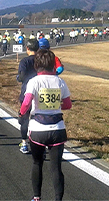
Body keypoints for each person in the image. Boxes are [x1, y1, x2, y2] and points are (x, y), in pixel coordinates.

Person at [19, 49, 72, 201]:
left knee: (37, 163)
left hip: (38, 130)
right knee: (56, 168)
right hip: (58, 129)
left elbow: (26, 103)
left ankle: (37, 197)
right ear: (52, 65)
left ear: (36, 65)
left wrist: (21, 114)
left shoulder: (34, 81)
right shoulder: (60, 82)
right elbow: (67, 105)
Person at [16, 39, 39, 153]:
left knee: (24, 119)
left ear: (27, 48)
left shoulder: (24, 61)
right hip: (40, 91)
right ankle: (40, 144)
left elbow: (22, 76)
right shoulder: (41, 60)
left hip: (27, 91)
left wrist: (20, 78)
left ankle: (24, 142)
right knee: (39, 117)